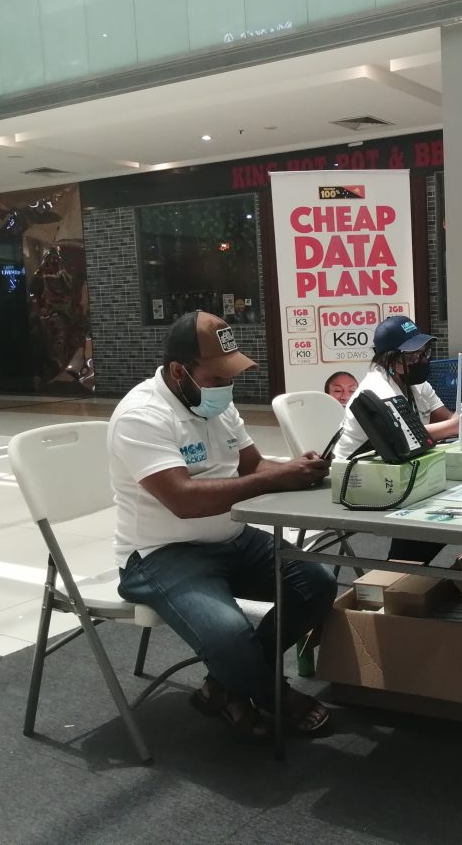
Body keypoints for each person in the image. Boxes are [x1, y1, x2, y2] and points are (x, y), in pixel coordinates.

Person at [109, 311, 338, 743]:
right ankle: (272, 693)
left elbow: (252, 466)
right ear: (179, 371)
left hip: (231, 538)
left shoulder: (216, 404)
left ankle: (224, 687)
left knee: (316, 585)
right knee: (230, 635)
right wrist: (274, 479)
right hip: (161, 555)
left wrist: (294, 469)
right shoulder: (141, 416)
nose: (226, 387)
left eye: (230, 377)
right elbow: (183, 500)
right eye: (216, 377)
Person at [334, 315, 461, 564]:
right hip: (355, 475)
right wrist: (455, 425)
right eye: (413, 356)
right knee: (437, 506)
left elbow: (446, 420)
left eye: (424, 352)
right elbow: (405, 437)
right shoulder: (376, 390)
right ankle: (399, 570)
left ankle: (411, 573)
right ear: (389, 359)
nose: (422, 360)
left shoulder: (417, 384)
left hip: (393, 466)